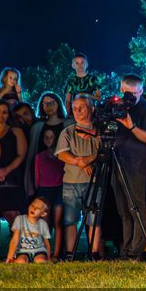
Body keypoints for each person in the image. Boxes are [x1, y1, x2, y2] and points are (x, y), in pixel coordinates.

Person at [113, 74, 146, 260]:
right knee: (123, 210)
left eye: (134, 94)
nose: (130, 98)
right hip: (117, 160)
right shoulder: (117, 106)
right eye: (126, 94)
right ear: (121, 91)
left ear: (141, 91)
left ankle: (136, 250)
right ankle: (125, 249)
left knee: (136, 208)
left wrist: (132, 127)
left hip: (136, 164)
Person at [55, 94, 102, 257]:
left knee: (94, 220)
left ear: (91, 108)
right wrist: (79, 161)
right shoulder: (67, 132)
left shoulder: (98, 132)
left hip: (94, 182)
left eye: (81, 107)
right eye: (74, 108)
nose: (77, 111)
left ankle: (94, 252)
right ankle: (70, 253)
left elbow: (102, 151)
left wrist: (88, 160)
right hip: (71, 181)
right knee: (70, 219)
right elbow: (61, 154)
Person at [0, 99, 27, 261]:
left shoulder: (15, 131)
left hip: (11, 177)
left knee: (13, 214)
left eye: (5, 112)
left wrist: (6, 170)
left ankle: (18, 251)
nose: (1, 115)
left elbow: (21, 155)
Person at [25, 92, 67, 199]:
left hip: (64, 176)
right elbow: (32, 154)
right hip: (43, 179)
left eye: (51, 102)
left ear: (58, 103)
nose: (48, 106)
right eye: (44, 103)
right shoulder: (37, 127)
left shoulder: (68, 125)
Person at [34, 127, 65, 259]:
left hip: (58, 189)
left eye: (51, 137)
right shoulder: (39, 156)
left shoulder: (61, 156)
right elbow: (36, 176)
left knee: (58, 222)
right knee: (45, 224)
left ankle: (57, 253)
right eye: (46, 137)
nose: (48, 140)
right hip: (44, 190)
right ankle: (45, 252)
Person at [5, 197, 51, 263]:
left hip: (39, 250)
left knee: (40, 261)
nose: (34, 209)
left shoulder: (42, 224)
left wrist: (48, 257)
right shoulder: (19, 219)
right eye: (32, 205)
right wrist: (9, 257)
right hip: (23, 250)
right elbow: (15, 239)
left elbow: (46, 242)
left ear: (43, 214)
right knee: (21, 261)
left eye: (38, 208)